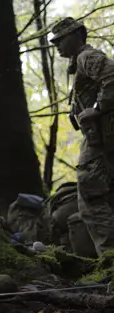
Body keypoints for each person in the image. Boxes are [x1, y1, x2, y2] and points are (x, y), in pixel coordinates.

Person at [51, 17, 114, 257]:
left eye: (61, 39)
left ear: (77, 35)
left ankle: (109, 260)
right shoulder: (80, 62)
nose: (56, 45)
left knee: (91, 195)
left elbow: (112, 76)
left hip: (101, 140)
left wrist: (97, 108)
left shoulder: (86, 57)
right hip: (103, 139)